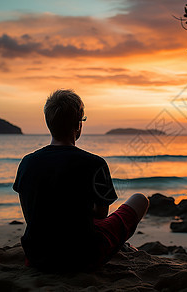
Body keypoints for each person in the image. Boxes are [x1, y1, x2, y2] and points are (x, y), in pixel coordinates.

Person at [13, 89, 149, 272]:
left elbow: (30, 215)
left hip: (37, 256)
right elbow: (101, 214)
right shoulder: (95, 163)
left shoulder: (27, 162)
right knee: (140, 199)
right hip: (83, 257)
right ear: (78, 125)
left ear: (49, 124)